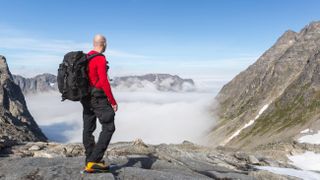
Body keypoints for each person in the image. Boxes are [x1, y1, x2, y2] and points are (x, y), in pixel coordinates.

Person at [80, 34, 118, 173]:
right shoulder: (99, 59)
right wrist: (112, 101)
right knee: (109, 126)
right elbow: (103, 81)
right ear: (104, 44)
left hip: (85, 98)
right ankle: (93, 161)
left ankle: (89, 159)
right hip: (98, 97)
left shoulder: (85, 57)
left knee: (88, 128)